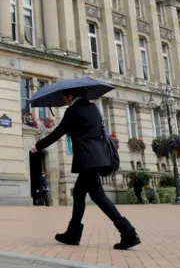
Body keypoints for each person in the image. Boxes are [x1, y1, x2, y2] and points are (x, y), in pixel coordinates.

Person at [31, 88, 140, 250]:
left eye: (65, 97)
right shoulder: (93, 108)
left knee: (98, 196)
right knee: (79, 193)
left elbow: (58, 132)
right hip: (96, 157)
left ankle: (128, 232)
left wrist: (38, 146)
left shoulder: (73, 111)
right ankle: (73, 233)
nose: (65, 100)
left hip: (87, 158)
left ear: (71, 95)